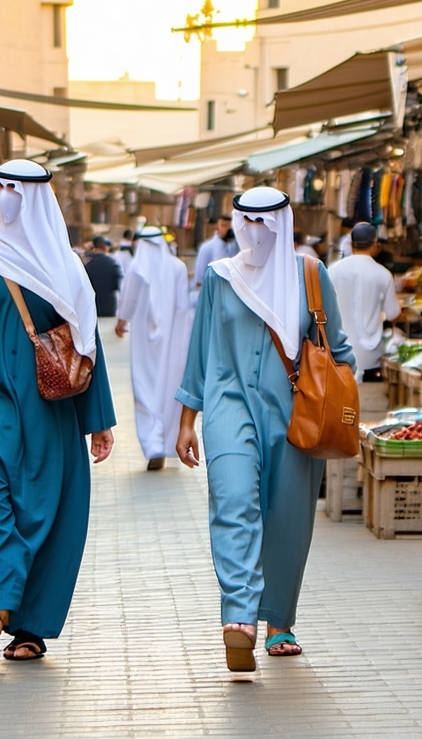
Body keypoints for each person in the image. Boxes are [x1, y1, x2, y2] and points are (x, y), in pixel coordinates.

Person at [0, 159, 117, 665]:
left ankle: (29, 628)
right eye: (1, 187)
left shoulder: (65, 267)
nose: (7, 196)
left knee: (43, 516)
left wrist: (98, 419)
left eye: (17, 189)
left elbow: (86, 344)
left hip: (48, 418)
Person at [175, 186, 355, 673]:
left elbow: (338, 348)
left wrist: (337, 399)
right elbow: (200, 350)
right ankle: (239, 615)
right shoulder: (220, 277)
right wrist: (187, 420)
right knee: (233, 501)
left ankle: (279, 621)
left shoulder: (310, 274)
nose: (255, 231)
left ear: (283, 223)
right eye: (247, 221)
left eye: (264, 222)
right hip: (228, 408)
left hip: (296, 414)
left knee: (287, 517)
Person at [114, 225, 192, 471]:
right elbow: (184, 307)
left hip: (143, 343)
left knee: (145, 388)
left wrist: (121, 321)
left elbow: (127, 301)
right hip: (173, 338)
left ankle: (153, 443)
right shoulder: (178, 267)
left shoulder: (137, 268)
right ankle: (164, 442)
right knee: (168, 388)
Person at [328, 223, 404, 383]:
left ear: (352, 244)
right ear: (375, 244)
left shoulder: (332, 271)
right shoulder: (383, 274)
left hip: (337, 353)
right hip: (370, 358)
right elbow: (393, 314)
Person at [191, 215, 239, 301]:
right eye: (224, 225)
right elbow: (199, 280)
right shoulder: (207, 248)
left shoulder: (236, 247)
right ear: (217, 228)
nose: (227, 229)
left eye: (230, 226)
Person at [83, 235, 123, 318]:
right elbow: (120, 285)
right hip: (108, 306)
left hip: (89, 306)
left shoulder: (85, 262)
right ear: (106, 247)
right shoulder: (113, 263)